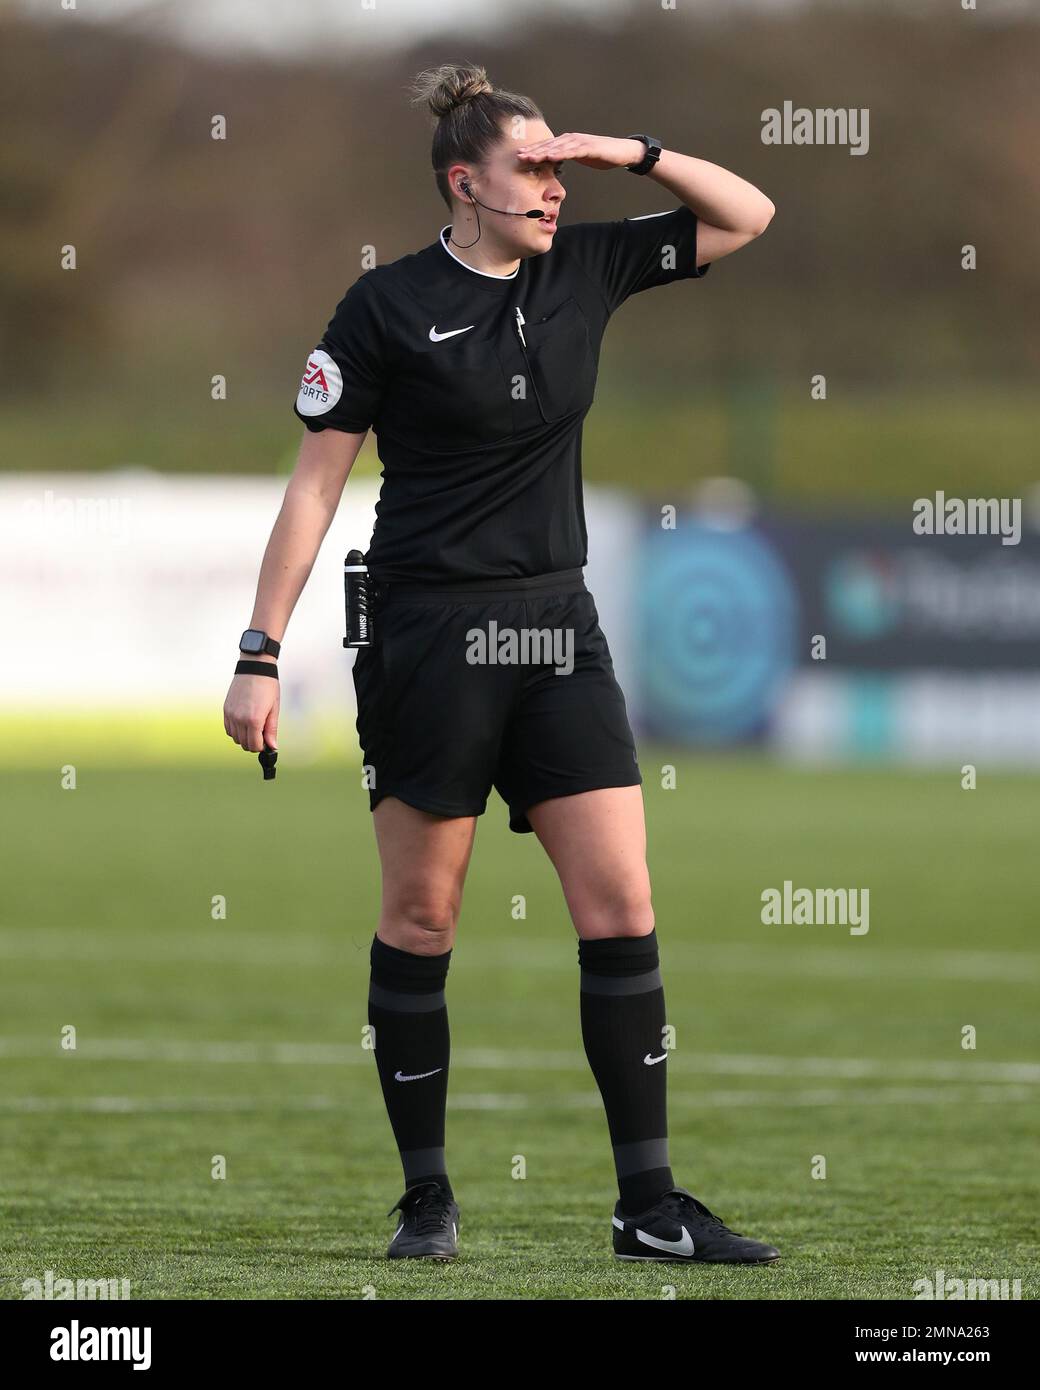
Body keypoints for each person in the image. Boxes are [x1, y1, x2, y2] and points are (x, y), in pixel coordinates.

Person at [223, 61, 780, 1266]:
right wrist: (259, 651)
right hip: (428, 630)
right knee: (423, 916)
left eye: (554, 168)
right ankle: (426, 1198)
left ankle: (648, 1205)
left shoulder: (586, 265)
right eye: (529, 170)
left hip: (554, 628)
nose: (549, 189)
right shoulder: (381, 306)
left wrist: (625, 149)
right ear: (459, 181)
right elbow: (317, 483)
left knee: (621, 902)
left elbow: (748, 215)